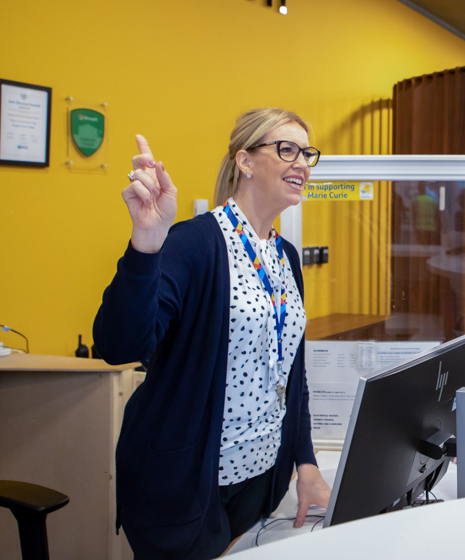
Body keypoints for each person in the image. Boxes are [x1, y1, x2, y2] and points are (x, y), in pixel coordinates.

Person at [94, 108, 330, 559]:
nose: (302, 162)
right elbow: (119, 345)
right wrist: (147, 242)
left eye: (307, 153)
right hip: (186, 486)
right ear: (245, 161)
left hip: (259, 482)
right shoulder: (194, 243)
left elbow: (290, 372)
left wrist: (305, 462)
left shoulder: (285, 257)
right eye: (286, 149)